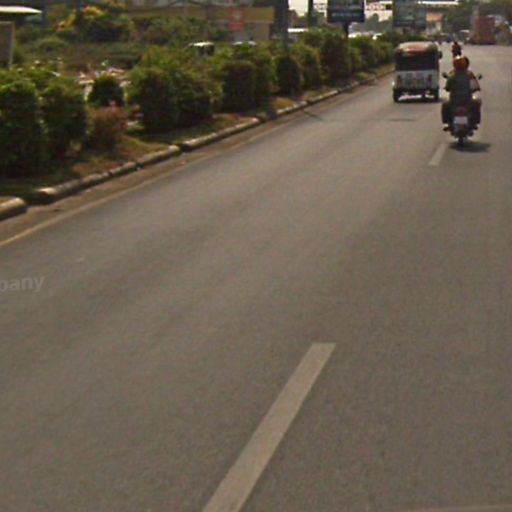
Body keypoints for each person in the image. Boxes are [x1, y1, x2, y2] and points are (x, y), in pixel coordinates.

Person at [442, 56, 481, 129]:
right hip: (467, 100)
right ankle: (475, 123)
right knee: (477, 103)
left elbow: (447, 87)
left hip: (454, 101)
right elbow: (475, 87)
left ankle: (446, 123)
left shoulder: (452, 76)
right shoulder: (469, 75)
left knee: (445, 105)